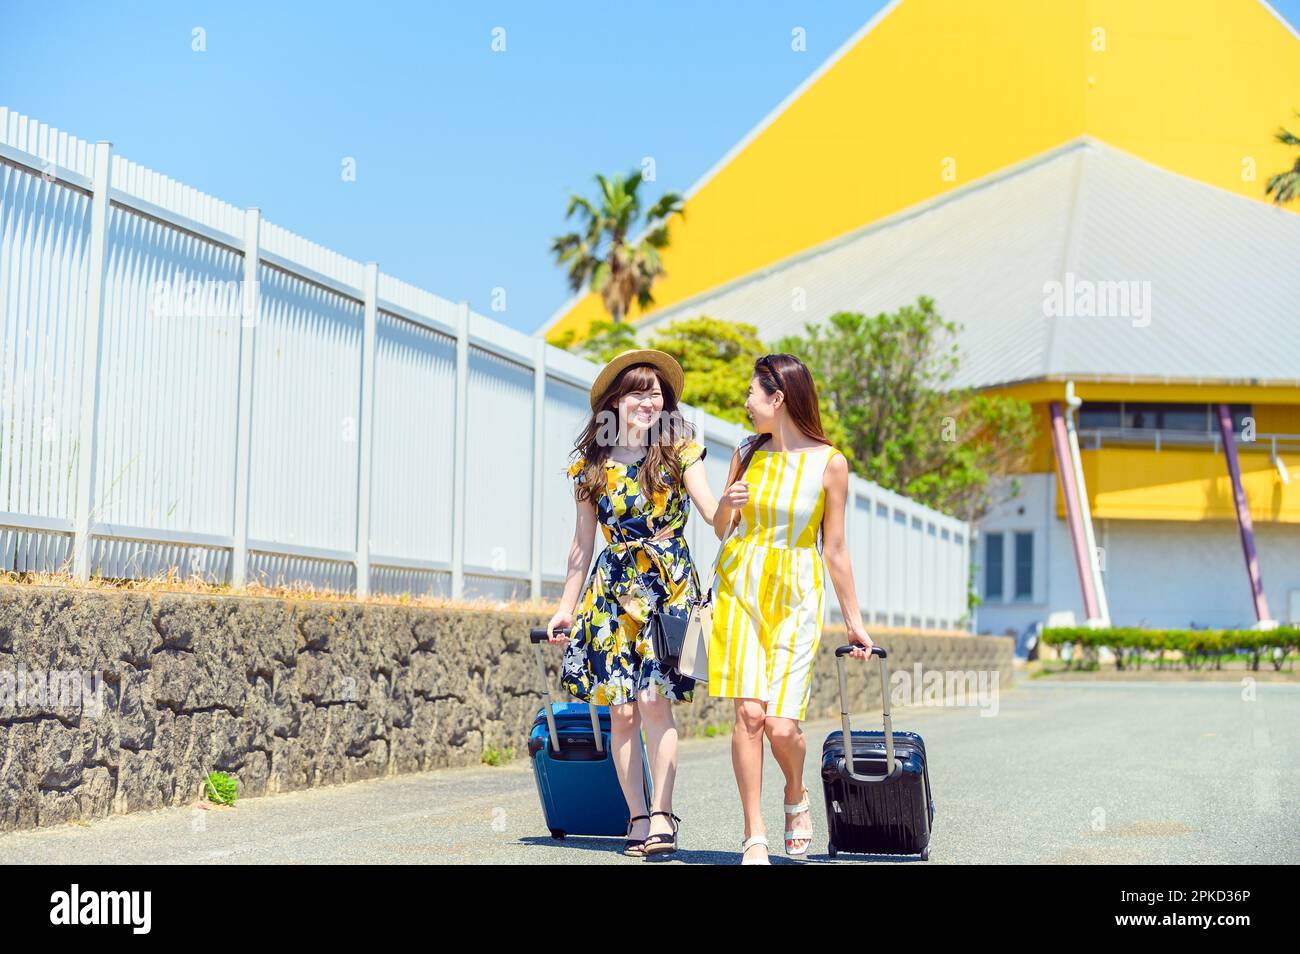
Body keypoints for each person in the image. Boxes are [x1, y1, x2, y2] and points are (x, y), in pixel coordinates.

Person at [546, 348, 718, 858]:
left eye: (656, 392)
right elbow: (582, 547)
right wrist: (564, 607)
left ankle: (663, 814)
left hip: (668, 588)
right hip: (612, 595)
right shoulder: (589, 465)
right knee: (621, 712)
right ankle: (638, 817)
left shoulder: (680, 450)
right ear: (615, 402)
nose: (649, 401)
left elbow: (709, 511)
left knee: (653, 701)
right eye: (638, 392)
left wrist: (729, 508)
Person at [709, 353, 874, 864]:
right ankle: (753, 833)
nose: (745, 402)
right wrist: (729, 505)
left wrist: (854, 624)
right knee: (748, 714)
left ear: (777, 398)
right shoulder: (746, 451)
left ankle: (795, 793)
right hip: (740, 586)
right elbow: (720, 527)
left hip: (797, 594)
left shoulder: (830, 463)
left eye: (752, 394)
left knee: (782, 725)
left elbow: (836, 548)